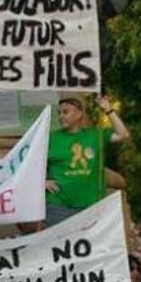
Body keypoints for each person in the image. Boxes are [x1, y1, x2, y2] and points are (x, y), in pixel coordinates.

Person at [45, 95, 130, 227]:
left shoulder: (96, 135)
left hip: (92, 206)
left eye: (66, 112)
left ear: (79, 114)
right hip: (58, 206)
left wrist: (108, 109)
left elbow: (123, 134)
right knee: (58, 245)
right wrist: (41, 183)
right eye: (59, 113)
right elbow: (31, 164)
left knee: (90, 247)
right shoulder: (51, 138)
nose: (61, 116)